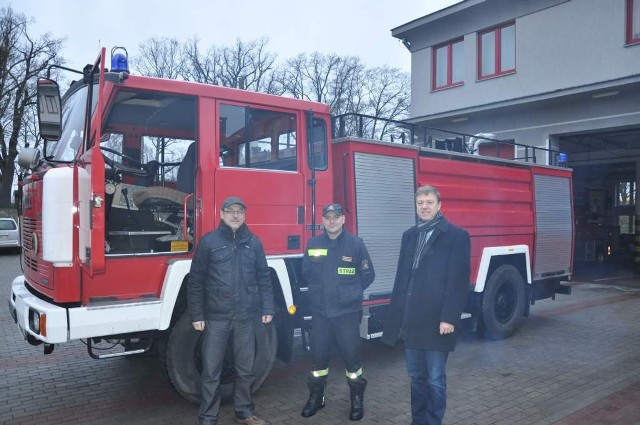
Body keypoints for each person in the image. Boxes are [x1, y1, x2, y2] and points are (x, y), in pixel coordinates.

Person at [381, 185, 470, 425]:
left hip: (437, 322)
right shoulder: (410, 235)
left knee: (434, 379)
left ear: (439, 205)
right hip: (413, 321)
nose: (424, 206)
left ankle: (433, 422)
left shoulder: (456, 236)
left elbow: (458, 281)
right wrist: (397, 317)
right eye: (420, 202)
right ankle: (417, 420)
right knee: (416, 378)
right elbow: (402, 278)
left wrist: (450, 317)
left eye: (429, 202)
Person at [188, 196, 274, 425]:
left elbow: (264, 277)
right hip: (217, 318)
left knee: (245, 369)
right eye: (230, 211)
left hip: (246, 317)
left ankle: (244, 412)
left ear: (244, 215)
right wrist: (197, 314)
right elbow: (195, 280)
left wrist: (267, 306)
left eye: (239, 211)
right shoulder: (209, 243)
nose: (235, 215)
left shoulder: (254, 243)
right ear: (222, 214)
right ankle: (208, 417)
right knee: (211, 371)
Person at [300, 203, 375, 421]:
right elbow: (306, 273)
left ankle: (356, 401)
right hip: (321, 313)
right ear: (323, 220)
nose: (331, 221)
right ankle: (316, 398)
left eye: (336, 217)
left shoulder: (355, 244)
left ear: (343, 219)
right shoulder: (313, 244)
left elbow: (368, 275)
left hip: (346, 314)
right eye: (328, 217)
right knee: (318, 360)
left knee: (352, 360)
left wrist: (350, 293)